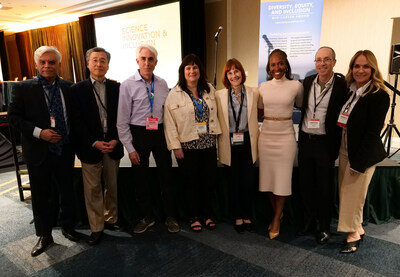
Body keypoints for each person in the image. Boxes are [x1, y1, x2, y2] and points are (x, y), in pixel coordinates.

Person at [8, 46, 79, 257]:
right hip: (38, 152)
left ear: (59, 64)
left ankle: (68, 227)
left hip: (65, 150)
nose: (47, 66)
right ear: (36, 64)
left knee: (67, 191)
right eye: (43, 62)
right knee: (41, 195)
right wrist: (40, 133)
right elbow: (14, 119)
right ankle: (44, 235)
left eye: (52, 62)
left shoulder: (69, 87)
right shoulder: (22, 88)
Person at [117, 44, 179, 234]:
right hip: (139, 134)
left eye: (150, 59)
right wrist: (130, 148)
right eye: (143, 59)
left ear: (156, 62)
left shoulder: (161, 83)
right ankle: (146, 217)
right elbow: (121, 121)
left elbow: (166, 113)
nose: (147, 62)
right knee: (141, 179)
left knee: (166, 177)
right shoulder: (127, 85)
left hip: (159, 132)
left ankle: (170, 216)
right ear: (137, 61)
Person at [337, 50, 389, 253]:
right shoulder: (350, 90)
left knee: (353, 193)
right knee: (349, 192)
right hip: (344, 147)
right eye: (356, 66)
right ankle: (357, 225)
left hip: (362, 153)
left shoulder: (379, 95)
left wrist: (358, 163)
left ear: (373, 69)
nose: (360, 70)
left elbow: (372, 133)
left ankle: (352, 235)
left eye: (365, 66)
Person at [70, 47, 124, 245]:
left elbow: (122, 116)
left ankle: (110, 219)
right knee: (92, 188)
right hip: (89, 146)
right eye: (95, 60)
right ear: (87, 64)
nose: (99, 64)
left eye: (103, 61)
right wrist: (94, 142)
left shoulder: (117, 88)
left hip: (112, 144)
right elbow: (76, 121)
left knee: (112, 185)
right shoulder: (76, 90)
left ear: (108, 65)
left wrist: (115, 139)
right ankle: (96, 227)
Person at [164, 54, 221, 232]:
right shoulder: (175, 93)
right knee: (190, 184)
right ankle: (193, 216)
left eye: (195, 67)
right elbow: (169, 122)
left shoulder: (209, 89)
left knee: (208, 182)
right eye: (188, 68)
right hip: (187, 146)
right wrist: (175, 146)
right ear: (183, 71)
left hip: (209, 144)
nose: (192, 71)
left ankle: (207, 214)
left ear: (200, 70)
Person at [297, 47, 348, 244]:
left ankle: (324, 226)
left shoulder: (342, 85)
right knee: (306, 184)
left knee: (325, 187)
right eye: (318, 60)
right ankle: (308, 221)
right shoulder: (308, 81)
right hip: (306, 141)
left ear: (334, 62)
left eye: (326, 59)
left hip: (326, 144)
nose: (322, 64)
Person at [258, 49, 303, 239]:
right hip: (266, 135)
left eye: (280, 63)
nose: (277, 68)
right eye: (273, 64)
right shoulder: (263, 87)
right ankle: (279, 212)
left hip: (285, 136)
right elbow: (259, 112)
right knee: (268, 180)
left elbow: (300, 105)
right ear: (269, 67)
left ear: (286, 65)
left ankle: (276, 218)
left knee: (283, 180)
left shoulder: (296, 86)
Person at [215, 58, 259, 233]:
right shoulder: (219, 95)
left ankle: (248, 214)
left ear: (242, 72)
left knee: (248, 182)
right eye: (230, 72)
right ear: (226, 76)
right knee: (233, 182)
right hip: (229, 142)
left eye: (236, 71)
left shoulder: (254, 93)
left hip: (248, 141)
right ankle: (237, 216)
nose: (234, 75)